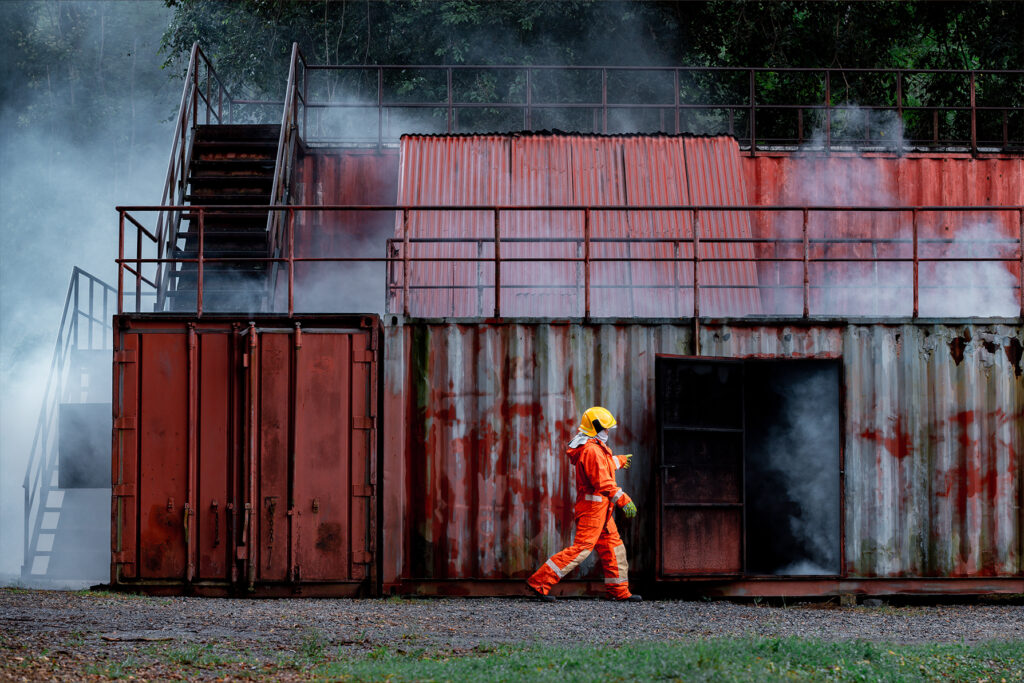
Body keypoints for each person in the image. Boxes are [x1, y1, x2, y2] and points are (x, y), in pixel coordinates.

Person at [526, 406, 641, 602]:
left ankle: (619, 591)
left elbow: (601, 467)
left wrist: (619, 461)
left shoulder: (593, 447)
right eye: (606, 429)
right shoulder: (592, 450)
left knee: (614, 548)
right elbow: (602, 481)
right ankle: (539, 583)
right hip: (593, 511)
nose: (608, 433)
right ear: (596, 428)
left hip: (601, 511)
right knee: (581, 550)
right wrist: (623, 499)